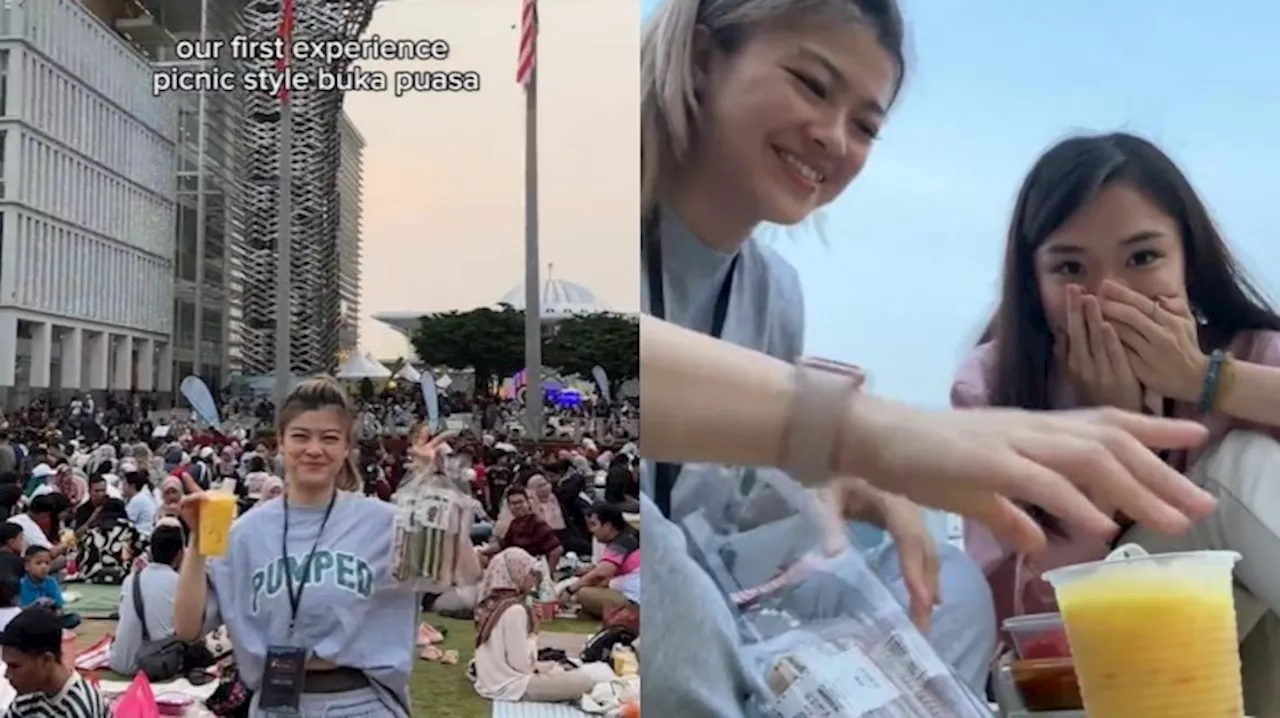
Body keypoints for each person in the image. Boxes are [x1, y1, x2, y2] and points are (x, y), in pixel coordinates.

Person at [637, 0, 1217, 713]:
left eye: (865, 125)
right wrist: (879, 436)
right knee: (665, 571)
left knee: (946, 585)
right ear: (702, 59)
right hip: (621, 572)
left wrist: (858, 486)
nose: (832, 138)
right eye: (812, 86)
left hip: (729, 589)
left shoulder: (772, 292)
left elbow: (737, 507)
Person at [953, 132, 1280, 711]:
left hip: (1245, 649)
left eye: (1143, 258)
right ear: (1034, 283)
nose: (1110, 294)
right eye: (1070, 267)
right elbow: (1020, 620)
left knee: (1240, 462)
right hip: (1097, 666)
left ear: (1188, 260)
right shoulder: (994, 387)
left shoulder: (1246, 351)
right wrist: (1109, 435)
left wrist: (1208, 380)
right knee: (1225, 479)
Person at [173, 378, 417, 717]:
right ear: (280, 444)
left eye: (329, 438)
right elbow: (187, 627)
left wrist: (439, 487)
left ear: (346, 447)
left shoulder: (386, 525)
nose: (314, 449)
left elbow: (460, 576)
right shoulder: (246, 533)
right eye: (301, 436)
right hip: (277, 703)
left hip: (360, 703)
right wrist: (199, 541)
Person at [472, 547, 609, 702]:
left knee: (558, 667)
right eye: (529, 573)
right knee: (585, 682)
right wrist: (533, 637)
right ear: (516, 573)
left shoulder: (490, 602)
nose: (532, 579)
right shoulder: (514, 610)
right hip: (511, 685)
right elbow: (521, 665)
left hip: (490, 679)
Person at [110, 519, 217, 675]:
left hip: (119, 661)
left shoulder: (131, 579)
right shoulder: (180, 584)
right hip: (153, 664)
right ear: (181, 554)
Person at [0, 606, 108, 717]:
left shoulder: (78, 708)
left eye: (14, 666)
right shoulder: (31, 691)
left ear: (46, 660)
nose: (7, 675)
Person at [564, 503, 639, 620]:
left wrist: (570, 589)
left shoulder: (622, 543)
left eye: (594, 525)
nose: (591, 530)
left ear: (608, 525)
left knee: (583, 593)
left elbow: (602, 573)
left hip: (634, 600)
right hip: (634, 596)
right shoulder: (628, 537)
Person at [18, 547, 79, 629]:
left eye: (47, 563)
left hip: (49, 619)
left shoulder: (51, 582)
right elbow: (20, 610)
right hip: (29, 621)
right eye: (38, 563)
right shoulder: (21, 584)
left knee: (74, 618)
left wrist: (53, 607)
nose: (43, 567)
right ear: (27, 566)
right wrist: (36, 605)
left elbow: (59, 606)